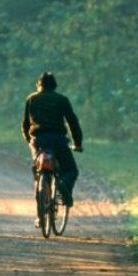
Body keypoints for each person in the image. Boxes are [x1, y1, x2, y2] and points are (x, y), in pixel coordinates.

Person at [21, 72, 83, 226]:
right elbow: (72, 122)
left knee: (39, 173)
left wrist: (30, 141)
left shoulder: (31, 99)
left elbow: (25, 125)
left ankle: (40, 217)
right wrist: (77, 143)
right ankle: (63, 186)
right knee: (71, 171)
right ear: (54, 86)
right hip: (58, 140)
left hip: (38, 141)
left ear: (38, 85)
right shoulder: (62, 100)